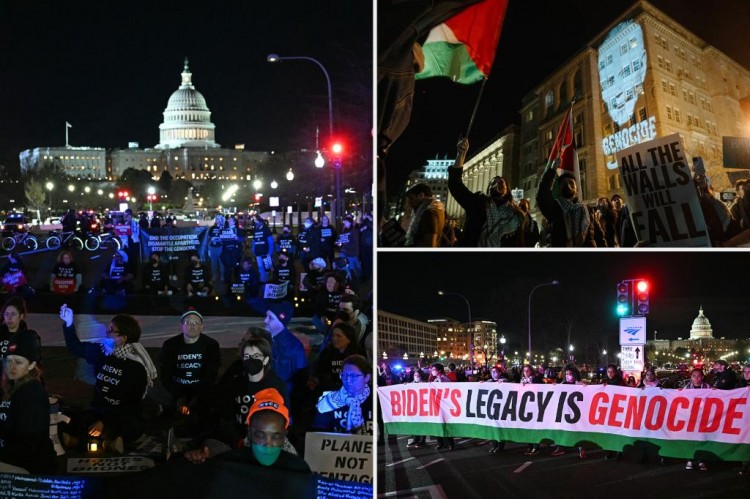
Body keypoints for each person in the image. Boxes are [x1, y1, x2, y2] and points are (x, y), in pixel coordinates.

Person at [59, 304, 157, 452]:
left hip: (122, 415)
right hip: (98, 411)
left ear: (123, 338)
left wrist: (105, 421)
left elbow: (130, 404)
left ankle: (83, 441)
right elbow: (76, 348)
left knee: (131, 427)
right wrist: (68, 322)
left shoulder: (136, 367)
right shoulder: (102, 351)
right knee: (68, 417)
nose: (107, 332)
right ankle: (107, 443)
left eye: (111, 330)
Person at [185, 388, 310, 472]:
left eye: (276, 436)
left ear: (285, 434)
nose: (268, 444)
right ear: (249, 432)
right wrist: (200, 457)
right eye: (260, 435)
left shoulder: (297, 468)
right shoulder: (237, 450)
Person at [207, 335, 289, 451]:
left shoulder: (276, 385)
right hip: (237, 442)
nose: (251, 360)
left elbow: (284, 420)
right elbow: (227, 416)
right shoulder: (236, 384)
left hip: (265, 444)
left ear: (265, 360)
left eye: (256, 356)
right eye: (247, 356)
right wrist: (237, 442)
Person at [448, 138, 525, 247]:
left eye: (501, 182)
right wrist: (461, 154)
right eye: (493, 182)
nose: (497, 184)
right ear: (489, 190)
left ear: (507, 190)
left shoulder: (515, 215)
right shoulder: (478, 203)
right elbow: (455, 186)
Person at [0, 333, 56, 474]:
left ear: (31, 365)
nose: (11, 367)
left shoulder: (32, 392)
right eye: (9, 361)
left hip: (29, 468)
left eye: (18, 362)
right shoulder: (11, 386)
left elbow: (29, 443)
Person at [156, 309, 220, 428]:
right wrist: (179, 395)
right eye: (188, 323)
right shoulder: (170, 345)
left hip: (200, 390)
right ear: (182, 326)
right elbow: (165, 374)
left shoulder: (211, 345)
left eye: (196, 323)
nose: (192, 326)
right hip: (175, 388)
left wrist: (195, 395)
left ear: (201, 326)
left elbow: (211, 374)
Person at [313, 354, 372, 435]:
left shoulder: (376, 400)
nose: (348, 380)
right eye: (344, 375)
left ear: (367, 377)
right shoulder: (328, 401)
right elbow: (318, 434)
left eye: (353, 376)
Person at [536, 166, 593, 247]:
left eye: (571, 183)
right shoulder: (554, 208)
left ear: (577, 189)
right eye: (564, 183)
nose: (568, 185)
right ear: (559, 189)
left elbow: (598, 236)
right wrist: (552, 170)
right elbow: (542, 195)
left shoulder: (588, 210)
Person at [263, 302, 307, 401]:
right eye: (266, 316)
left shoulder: (295, 347)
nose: (265, 320)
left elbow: (301, 377)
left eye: (270, 318)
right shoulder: (265, 339)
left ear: (281, 321)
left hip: (284, 396)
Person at [312, 322, 364, 395]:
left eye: (338, 336)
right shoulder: (326, 353)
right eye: (333, 336)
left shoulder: (357, 355)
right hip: (330, 391)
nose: (334, 339)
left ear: (348, 339)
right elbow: (320, 373)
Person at [550, 366, 586, 458]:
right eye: (566, 374)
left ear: (575, 375)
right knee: (562, 430)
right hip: (565, 412)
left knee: (579, 431)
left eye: (570, 374)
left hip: (578, 414)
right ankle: (560, 447)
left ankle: (582, 448)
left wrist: (584, 387)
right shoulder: (562, 384)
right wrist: (554, 387)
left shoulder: (579, 384)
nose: (568, 376)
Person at [694, 174, 740, 246]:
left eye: (704, 178)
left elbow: (723, 211)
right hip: (717, 233)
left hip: (727, 228)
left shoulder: (710, 196)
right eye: (698, 179)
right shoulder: (698, 199)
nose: (702, 180)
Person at [683, 368, 710, 471]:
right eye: (694, 376)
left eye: (698, 376)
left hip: (703, 417)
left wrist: (716, 392)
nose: (696, 378)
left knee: (701, 438)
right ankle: (690, 459)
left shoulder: (707, 387)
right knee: (690, 439)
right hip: (690, 417)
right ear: (691, 377)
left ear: (702, 377)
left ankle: (701, 460)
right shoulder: (687, 388)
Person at [404, 183, 444, 247]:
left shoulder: (428, 213)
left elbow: (430, 245)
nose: (409, 202)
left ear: (421, 195)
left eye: (411, 198)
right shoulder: (433, 211)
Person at [428, 363, 454, 450]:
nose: (432, 372)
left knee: (446, 424)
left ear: (439, 370)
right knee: (438, 424)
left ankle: (450, 443)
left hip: (444, 405)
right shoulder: (435, 380)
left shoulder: (445, 379)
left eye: (434, 370)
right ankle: (440, 443)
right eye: (431, 370)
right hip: (436, 405)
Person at [406, 368, 427, 448]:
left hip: (423, 406)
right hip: (414, 407)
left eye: (418, 375)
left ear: (421, 376)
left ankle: (422, 440)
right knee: (415, 423)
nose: (416, 376)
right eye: (415, 375)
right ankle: (415, 439)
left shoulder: (425, 384)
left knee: (423, 423)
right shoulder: (411, 383)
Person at [336, 215, 361, 279]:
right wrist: (338, 243)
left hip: (351, 253)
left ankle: (356, 279)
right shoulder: (343, 231)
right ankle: (347, 278)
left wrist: (344, 244)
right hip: (344, 252)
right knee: (343, 266)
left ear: (350, 223)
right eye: (345, 222)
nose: (345, 223)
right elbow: (339, 240)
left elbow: (355, 244)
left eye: (347, 222)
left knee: (352, 267)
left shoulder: (354, 231)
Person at [251, 215, 275, 284]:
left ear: (261, 223)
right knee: (260, 267)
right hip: (258, 253)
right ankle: (262, 281)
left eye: (256, 222)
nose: (255, 224)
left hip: (266, 253)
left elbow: (271, 242)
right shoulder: (256, 231)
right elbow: (254, 242)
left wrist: (270, 253)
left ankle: (267, 281)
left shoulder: (266, 230)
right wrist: (253, 251)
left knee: (267, 268)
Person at [207, 214, 226, 282]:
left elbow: (226, 238)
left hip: (220, 247)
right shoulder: (212, 228)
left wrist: (221, 239)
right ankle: (214, 275)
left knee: (221, 263)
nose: (217, 220)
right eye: (216, 219)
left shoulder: (223, 228)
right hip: (212, 248)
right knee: (213, 263)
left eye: (218, 219)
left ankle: (222, 276)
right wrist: (211, 241)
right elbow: (208, 238)